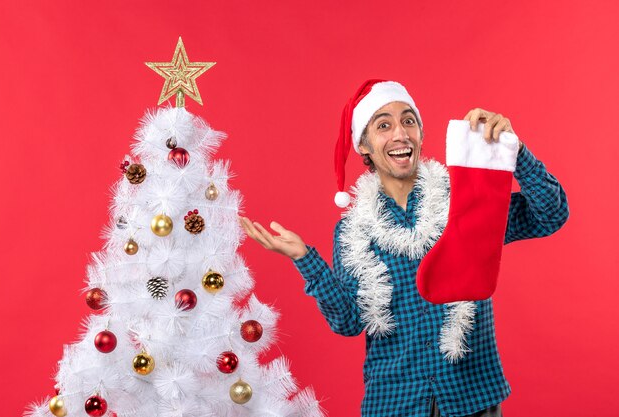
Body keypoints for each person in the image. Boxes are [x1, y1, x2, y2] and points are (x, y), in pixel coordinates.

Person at [239, 80, 569, 417]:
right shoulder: (352, 231)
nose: (400, 134)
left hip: (473, 399)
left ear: (421, 136)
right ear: (364, 147)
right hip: (395, 403)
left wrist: (514, 150)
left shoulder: (466, 204)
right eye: (384, 125)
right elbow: (350, 322)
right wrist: (305, 259)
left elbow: (551, 215)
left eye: (409, 121)